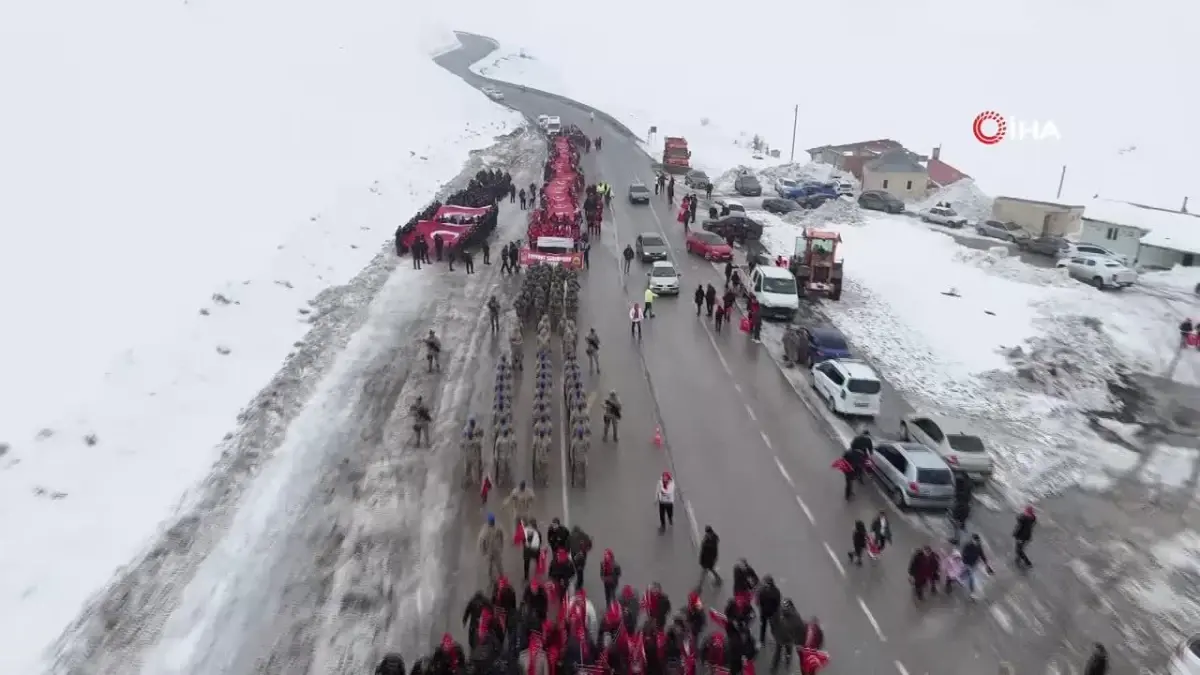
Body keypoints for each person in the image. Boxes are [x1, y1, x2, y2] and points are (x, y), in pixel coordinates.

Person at [960, 533, 994, 597]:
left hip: (973, 563)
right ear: (972, 540)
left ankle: (961, 576)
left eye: (977, 541)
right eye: (975, 541)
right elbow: (964, 554)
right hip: (968, 563)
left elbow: (982, 555)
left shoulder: (979, 546)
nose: (977, 542)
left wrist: (986, 564)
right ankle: (972, 591)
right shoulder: (968, 545)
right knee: (971, 577)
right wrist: (966, 560)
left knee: (968, 573)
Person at [478, 513, 506, 581]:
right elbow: (481, 542)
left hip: (496, 550)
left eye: (492, 521)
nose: (492, 522)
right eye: (491, 521)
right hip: (489, 551)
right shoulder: (484, 530)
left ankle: (502, 577)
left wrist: (501, 545)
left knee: (499, 564)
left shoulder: (498, 527)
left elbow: (501, 535)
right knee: (489, 566)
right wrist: (483, 552)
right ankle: (491, 577)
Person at [756, 576, 781, 645]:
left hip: (764, 612)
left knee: (763, 627)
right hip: (772, 612)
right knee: (773, 627)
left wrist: (760, 607)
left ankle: (762, 641)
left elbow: (759, 602)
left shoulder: (762, 591)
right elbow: (778, 602)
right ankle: (776, 639)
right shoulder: (776, 591)